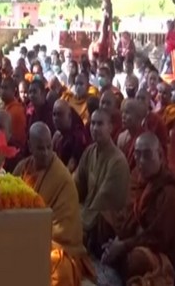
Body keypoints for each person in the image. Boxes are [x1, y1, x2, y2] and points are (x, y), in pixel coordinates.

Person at [102, 133, 175, 286]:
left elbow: (159, 238)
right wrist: (119, 240)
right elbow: (132, 216)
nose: (141, 161)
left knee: (136, 259)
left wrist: (124, 246)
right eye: (137, 155)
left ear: (160, 155)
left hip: (171, 258)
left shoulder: (169, 191)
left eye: (147, 155)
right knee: (104, 221)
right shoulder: (143, 180)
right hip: (147, 241)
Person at [14, 122, 95, 286]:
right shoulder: (24, 167)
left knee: (59, 269)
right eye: (40, 148)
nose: (45, 153)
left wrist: (30, 236)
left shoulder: (62, 178)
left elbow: (64, 230)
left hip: (54, 244)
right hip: (22, 233)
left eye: (49, 147)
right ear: (30, 146)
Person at [74, 109, 129, 258]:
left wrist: (76, 220)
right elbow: (76, 184)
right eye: (92, 123)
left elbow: (103, 204)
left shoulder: (118, 161)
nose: (95, 128)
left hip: (105, 223)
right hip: (88, 214)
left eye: (100, 124)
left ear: (110, 127)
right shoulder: (90, 152)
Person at [52, 99, 91, 172]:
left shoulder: (78, 137)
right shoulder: (57, 135)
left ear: (69, 116)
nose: (56, 118)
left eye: (59, 114)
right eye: (54, 114)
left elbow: (71, 168)